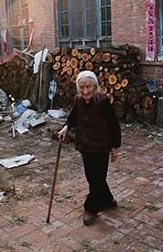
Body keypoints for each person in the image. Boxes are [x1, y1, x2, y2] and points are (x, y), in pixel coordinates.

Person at [57, 70, 121, 226]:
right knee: (92, 177)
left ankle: (91, 209)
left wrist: (115, 146)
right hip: (85, 146)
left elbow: (114, 125)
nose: (85, 91)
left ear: (95, 86)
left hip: (101, 147)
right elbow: (72, 118)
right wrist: (66, 127)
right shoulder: (78, 101)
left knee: (97, 179)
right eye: (82, 87)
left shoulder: (103, 102)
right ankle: (108, 199)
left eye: (89, 87)